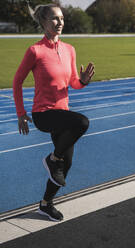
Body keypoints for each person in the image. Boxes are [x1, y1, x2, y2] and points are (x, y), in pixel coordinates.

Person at [13, 3, 95, 222]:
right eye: (55, 19)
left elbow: (72, 83)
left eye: (62, 18)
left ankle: (45, 204)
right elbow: (17, 81)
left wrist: (83, 82)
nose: (60, 23)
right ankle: (52, 158)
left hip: (62, 114)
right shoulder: (35, 51)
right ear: (44, 22)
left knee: (65, 165)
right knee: (83, 122)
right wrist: (21, 113)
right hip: (44, 114)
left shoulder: (69, 49)